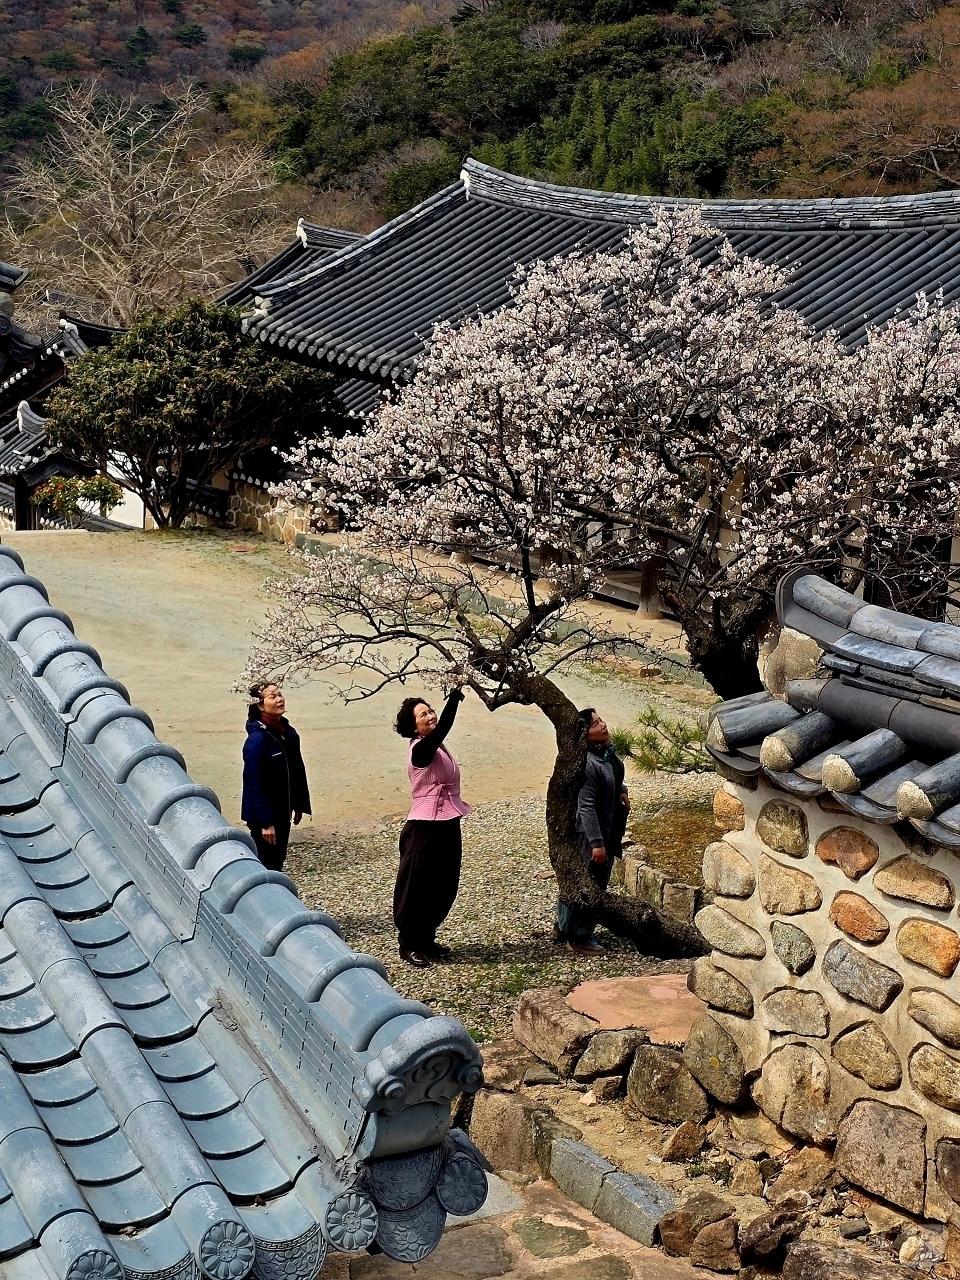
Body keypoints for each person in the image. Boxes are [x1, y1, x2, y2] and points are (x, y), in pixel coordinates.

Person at [393, 688, 471, 967]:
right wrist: (454, 699)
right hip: (423, 828)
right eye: (423, 714)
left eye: (430, 710)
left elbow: (441, 732)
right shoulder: (420, 749)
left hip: (448, 821)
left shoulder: (437, 745)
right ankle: (409, 945)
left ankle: (427, 939)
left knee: (444, 884)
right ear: (413, 725)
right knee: (417, 887)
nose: (430, 716)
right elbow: (443, 728)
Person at [555, 707, 630, 956]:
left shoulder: (606, 754)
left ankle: (563, 927)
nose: (604, 726)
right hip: (592, 834)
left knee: (579, 881)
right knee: (591, 884)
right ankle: (579, 936)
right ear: (585, 734)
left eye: (602, 721)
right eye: (596, 724)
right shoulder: (588, 763)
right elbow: (585, 806)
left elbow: (616, 778)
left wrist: (622, 792)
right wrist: (597, 843)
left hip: (606, 828)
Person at [241, 680, 311, 871]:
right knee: (267, 863)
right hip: (265, 817)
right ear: (259, 705)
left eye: (279, 694)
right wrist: (265, 823)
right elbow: (254, 783)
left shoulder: (287, 733)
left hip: (283, 811)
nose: (279, 699)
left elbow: (296, 769)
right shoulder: (258, 740)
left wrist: (298, 803)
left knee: (278, 859)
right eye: (272, 697)